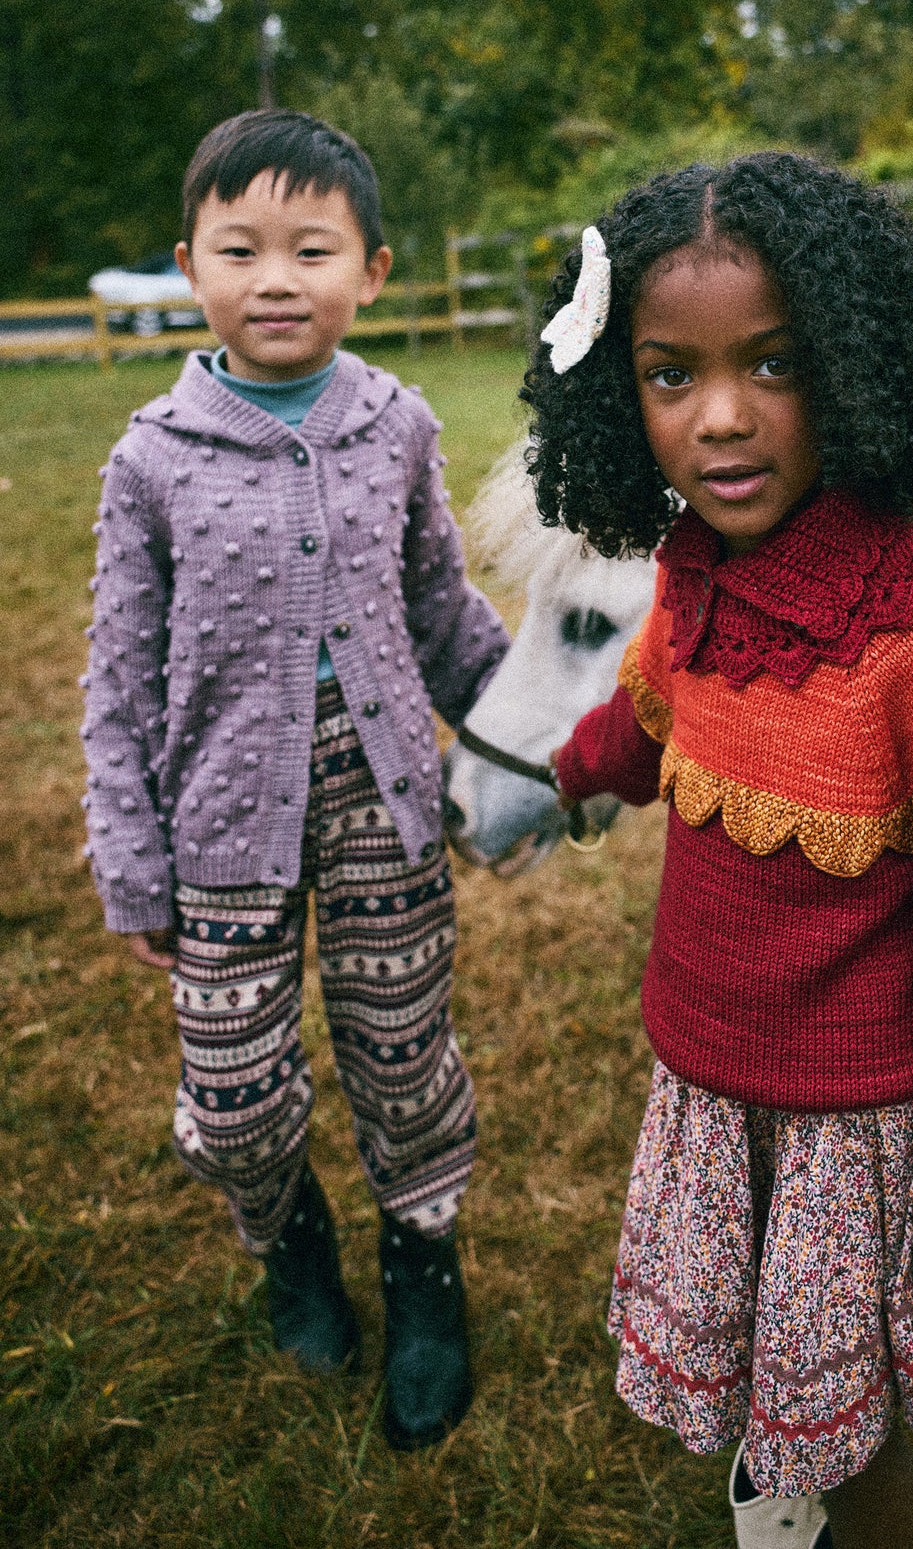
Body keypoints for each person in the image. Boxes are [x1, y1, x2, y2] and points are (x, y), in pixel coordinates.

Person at [525, 154, 913, 1549]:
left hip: (853, 1122)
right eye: (668, 375)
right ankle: (781, 1496)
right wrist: (575, 768)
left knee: (851, 1404)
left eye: (773, 365)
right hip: (713, 1087)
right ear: (616, 394)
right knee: (770, 1364)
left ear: (854, 362)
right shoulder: (695, 565)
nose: (720, 419)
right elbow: (657, 709)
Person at [80, 109, 509, 1451]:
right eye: (241, 248)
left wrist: (527, 733)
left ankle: (423, 1268)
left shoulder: (397, 425)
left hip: (384, 803)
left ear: (370, 271)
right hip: (216, 829)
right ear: (190, 267)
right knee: (236, 1095)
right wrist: (131, 858)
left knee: (401, 1057)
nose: (277, 277)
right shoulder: (151, 454)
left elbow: (442, 608)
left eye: (311, 248)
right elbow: (118, 677)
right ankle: (292, 1241)